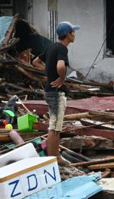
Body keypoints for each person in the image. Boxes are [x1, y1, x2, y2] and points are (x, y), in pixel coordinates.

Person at [31, 21, 80, 157]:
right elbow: (60, 66)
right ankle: (54, 158)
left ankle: (54, 156)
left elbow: (35, 62)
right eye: (73, 32)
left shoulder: (51, 47)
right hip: (56, 93)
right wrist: (62, 78)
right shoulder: (62, 49)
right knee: (55, 128)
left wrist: (48, 71)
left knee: (54, 127)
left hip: (49, 91)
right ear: (68, 34)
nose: (74, 35)